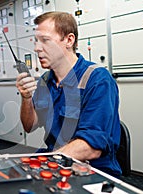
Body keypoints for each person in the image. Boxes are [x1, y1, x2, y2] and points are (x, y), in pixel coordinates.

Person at [16, 11, 122, 177]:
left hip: (92, 171)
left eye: (45, 40)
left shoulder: (97, 80)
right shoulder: (45, 81)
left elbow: (90, 148)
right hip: (56, 162)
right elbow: (29, 125)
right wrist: (26, 98)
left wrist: (45, 163)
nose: (37, 48)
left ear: (69, 40)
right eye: (36, 41)